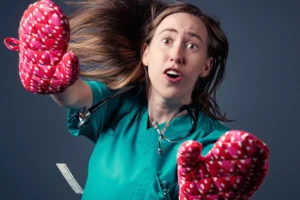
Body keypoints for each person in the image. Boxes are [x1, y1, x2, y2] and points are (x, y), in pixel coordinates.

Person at [4, 0, 269, 199]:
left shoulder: (213, 143)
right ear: (146, 53)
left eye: (192, 45)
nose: (176, 54)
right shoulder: (118, 103)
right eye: (167, 40)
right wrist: (48, 75)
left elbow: (228, 169)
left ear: (206, 66)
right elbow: (73, 95)